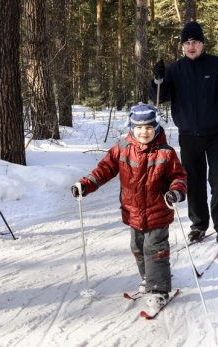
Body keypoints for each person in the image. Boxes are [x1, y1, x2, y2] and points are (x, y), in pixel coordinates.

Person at [71, 104, 187, 310]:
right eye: (139, 128)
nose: (144, 132)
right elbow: (104, 169)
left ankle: (158, 290)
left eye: (149, 128)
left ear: (156, 127)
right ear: (131, 128)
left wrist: (175, 192)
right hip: (132, 211)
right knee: (138, 248)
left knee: (155, 249)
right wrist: (85, 184)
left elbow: (178, 177)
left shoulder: (166, 153)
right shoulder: (122, 149)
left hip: (158, 211)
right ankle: (148, 278)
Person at [149, 21, 218, 246]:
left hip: (217, 132)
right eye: (187, 43)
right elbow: (159, 97)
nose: (191, 46)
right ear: (182, 46)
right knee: (193, 180)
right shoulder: (174, 70)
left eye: (196, 42)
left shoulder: (217, 66)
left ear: (202, 44)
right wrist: (157, 80)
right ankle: (199, 225)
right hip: (188, 135)